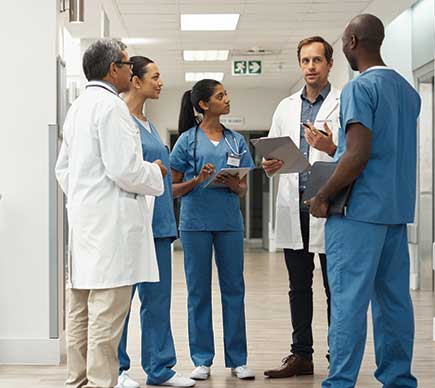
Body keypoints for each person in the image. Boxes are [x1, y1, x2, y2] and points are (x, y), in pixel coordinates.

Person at [307, 14, 421, 388]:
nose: (342, 48)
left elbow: (357, 155)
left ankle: (339, 382)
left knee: (348, 302)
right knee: (394, 303)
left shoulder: (358, 88)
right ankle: (398, 379)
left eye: (342, 42)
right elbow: (383, 148)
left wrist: (322, 196)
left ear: (353, 40)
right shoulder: (408, 91)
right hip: (395, 211)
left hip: (357, 213)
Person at [55, 39, 167, 388]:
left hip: (86, 224)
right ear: (112, 70)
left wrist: (86, 197)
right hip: (112, 228)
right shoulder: (113, 107)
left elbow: (64, 169)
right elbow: (125, 169)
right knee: (105, 315)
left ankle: (77, 381)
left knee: (80, 312)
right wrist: (155, 172)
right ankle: (103, 383)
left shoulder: (77, 107)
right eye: (126, 63)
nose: (131, 68)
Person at [262, 36, 340, 378]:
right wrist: (271, 164)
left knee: (333, 287)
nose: (310, 67)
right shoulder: (285, 107)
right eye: (305, 61)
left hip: (330, 208)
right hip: (294, 208)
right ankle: (301, 355)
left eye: (317, 60)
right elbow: (275, 152)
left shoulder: (343, 102)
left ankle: (338, 353)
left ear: (329, 64)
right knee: (298, 286)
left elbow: (353, 152)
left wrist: (330, 145)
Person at [115, 56, 195, 388]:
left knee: (158, 300)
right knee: (121, 301)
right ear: (135, 80)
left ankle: (160, 369)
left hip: (159, 226)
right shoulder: (119, 120)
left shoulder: (147, 122)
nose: (160, 83)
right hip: (132, 225)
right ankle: (116, 369)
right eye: (155, 77)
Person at [169, 79, 256, 380]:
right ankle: (202, 359)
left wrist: (235, 184)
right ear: (204, 105)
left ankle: (238, 359)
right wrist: (197, 181)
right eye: (221, 96)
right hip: (195, 224)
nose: (227, 99)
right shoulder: (186, 142)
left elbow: (243, 188)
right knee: (198, 292)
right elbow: (172, 189)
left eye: (226, 94)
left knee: (234, 290)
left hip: (229, 224)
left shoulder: (236, 142)